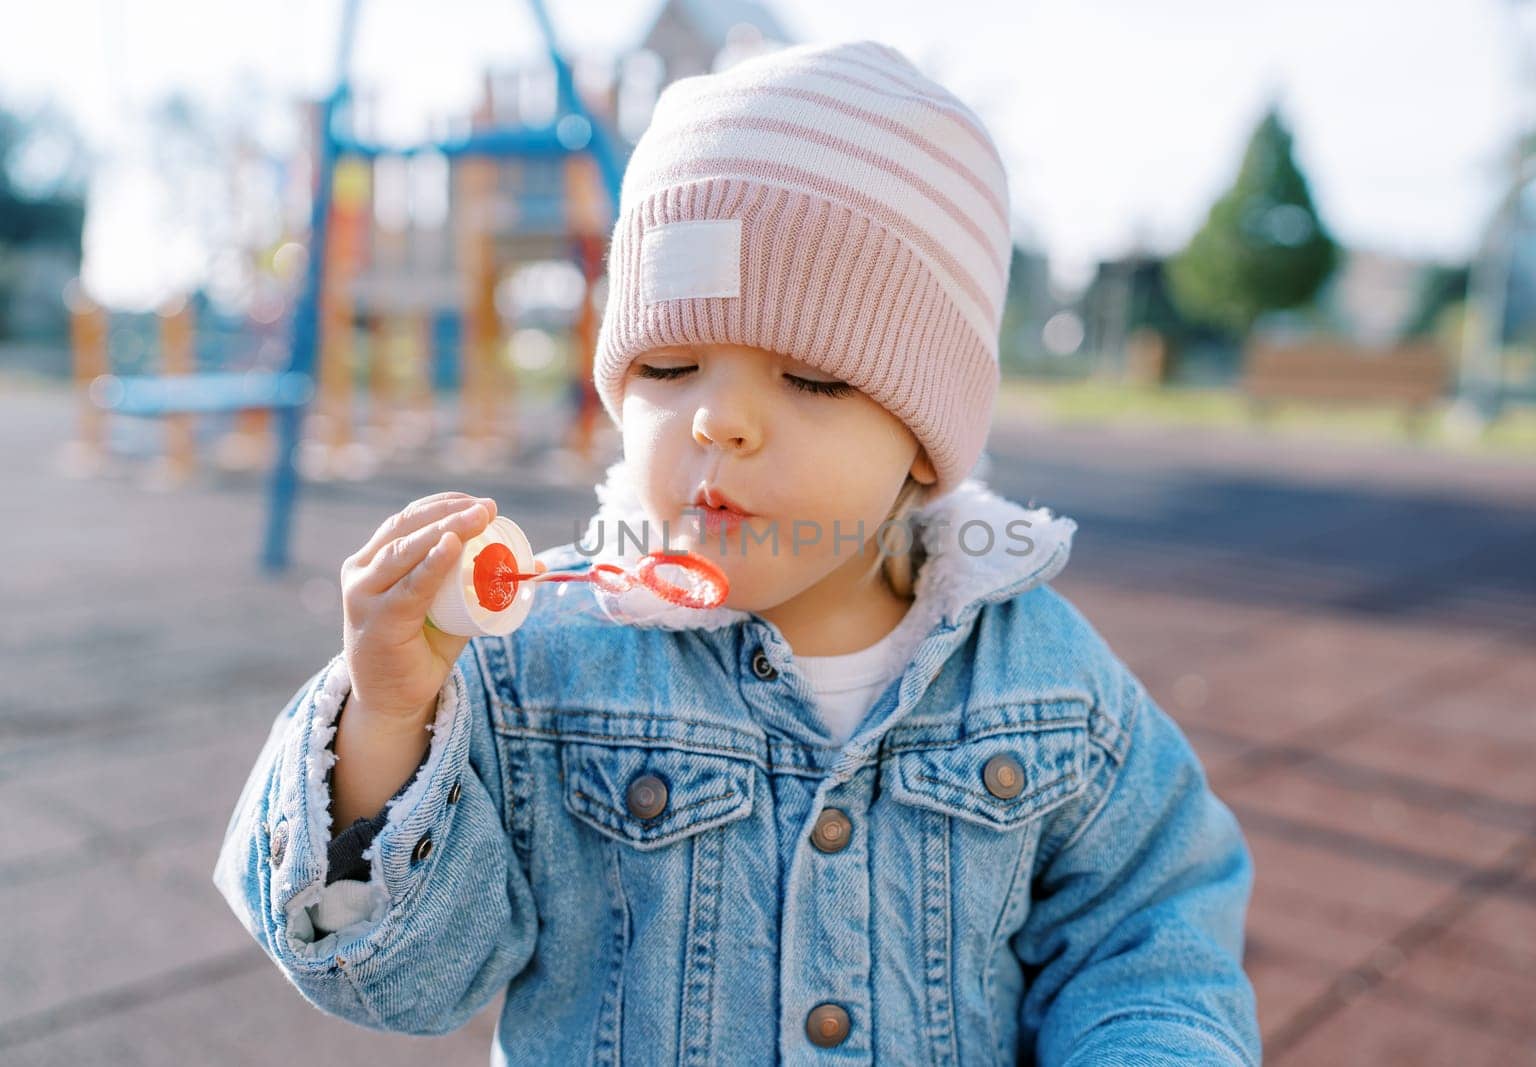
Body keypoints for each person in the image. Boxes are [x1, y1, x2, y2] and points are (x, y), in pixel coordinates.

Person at [212, 39, 1260, 1065]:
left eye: (809, 377)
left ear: (924, 442)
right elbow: (405, 980)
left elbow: (1149, 931)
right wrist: (387, 717)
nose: (720, 421)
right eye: (669, 364)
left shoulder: (1040, 675)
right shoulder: (536, 661)